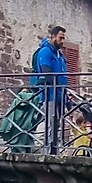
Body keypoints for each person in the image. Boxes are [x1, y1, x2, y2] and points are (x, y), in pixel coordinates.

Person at [29, 25, 69, 154]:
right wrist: (59, 86)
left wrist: (66, 96)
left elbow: (63, 76)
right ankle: (45, 152)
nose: (62, 41)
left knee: (56, 125)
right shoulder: (45, 51)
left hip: (59, 95)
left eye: (63, 38)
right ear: (53, 36)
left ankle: (54, 152)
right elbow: (47, 73)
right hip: (49, 94)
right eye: (60, 38)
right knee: (49, 124)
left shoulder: (59, 54)